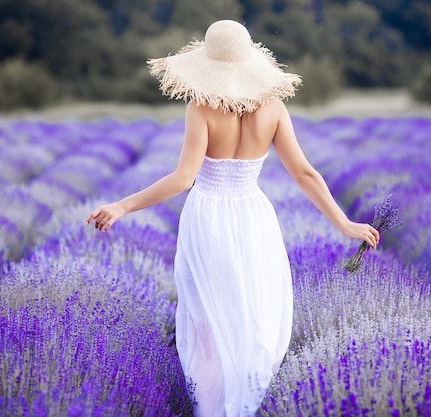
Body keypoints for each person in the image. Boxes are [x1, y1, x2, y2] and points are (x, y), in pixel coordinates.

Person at [86, 19, 379, 417]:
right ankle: (247, 404)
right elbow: (305, 173)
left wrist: (122, 206)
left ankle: (214, 409)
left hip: (208, 217)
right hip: (254, 216)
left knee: (209, 319)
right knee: (253, 316)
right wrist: (345, 224)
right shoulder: (273, 108)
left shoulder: (201, 107)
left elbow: (184, 178)